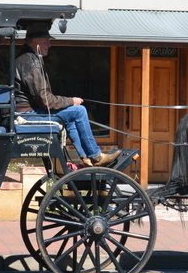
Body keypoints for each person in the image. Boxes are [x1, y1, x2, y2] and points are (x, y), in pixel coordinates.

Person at [14, 24, 120, 167]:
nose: (50, 45)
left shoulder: (27, 58)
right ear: (36, 42)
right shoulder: (31, 62)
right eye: (47, 41)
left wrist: (69, 102)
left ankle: (85, 158)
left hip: (27, 111)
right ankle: (96, 156)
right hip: (28, 115)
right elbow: (45, 100)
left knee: (71, 116)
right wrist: (71, 101)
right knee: (79, 111)